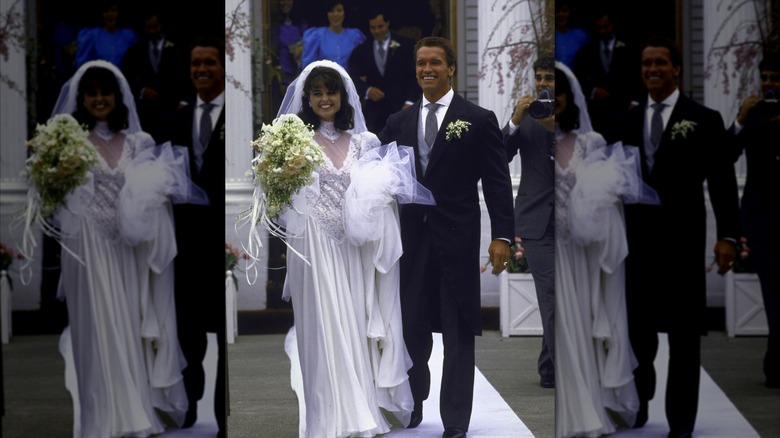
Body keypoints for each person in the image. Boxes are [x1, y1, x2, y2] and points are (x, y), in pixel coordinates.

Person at [272, 60, 424, 437]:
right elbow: (276, 199)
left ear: (343, 96)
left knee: (355, 324)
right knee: (324, 327)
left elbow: (380, 195)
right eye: (318, 93)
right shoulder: (292, 141)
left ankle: (362, 408)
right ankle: (329, 416)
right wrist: (283, 173)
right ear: (307, 98)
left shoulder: (364, 142)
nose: (325, 99)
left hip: (355, 248)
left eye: (331, 92)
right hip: (314, 245)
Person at [378, 36, 515, 438]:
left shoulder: (477, 118)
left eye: (435, 63)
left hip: (457, 241)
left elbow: (496, 181)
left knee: (458, 332)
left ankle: (456, 421)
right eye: (421, 63)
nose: (427, 70)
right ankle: (414, 401)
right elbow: (371, 167)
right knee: (411, 328)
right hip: (411, 243)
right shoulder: (397, 123)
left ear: (451, 68)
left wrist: (502, 236)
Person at [604, 36, 740, 438]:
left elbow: (722, 181)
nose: (652, 70)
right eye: (647, 64)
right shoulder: (624, 120)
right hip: (637, 245)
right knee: (639, 334)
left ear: (676, 68)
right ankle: (640, 404)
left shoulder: (704, 118)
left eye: (661, 63)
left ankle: (681, 423)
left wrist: (728, 236)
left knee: (684, 338)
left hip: (682, 243)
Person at [49, 60, 193, 438]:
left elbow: (154, 196)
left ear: (117, 96)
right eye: (92, 93)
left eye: (105, 92)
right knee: (97, 329)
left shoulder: (138, 142)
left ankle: (136, 411)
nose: (99, 99)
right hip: (87, 246)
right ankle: (102, 417)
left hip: (129, 249)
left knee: (130, 325)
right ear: (82, 99)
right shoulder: (69, 143)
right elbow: (55, 196)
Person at [553, 62, 642, 437]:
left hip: (580, 253)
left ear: (567, 97)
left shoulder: (590, 143)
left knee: (581, 326)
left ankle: (587, 408)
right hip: (550, 251)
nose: (550, 98)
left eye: (555, 92)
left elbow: (606, 199)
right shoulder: (531, 135)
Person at [160, 36, 227, 437]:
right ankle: (187, 407)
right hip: (184, 249)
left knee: (221, 336)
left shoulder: (234, 119)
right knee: (187, 334)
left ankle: (222, 417)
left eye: (209, 63)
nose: (202, 70)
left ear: (221, 67)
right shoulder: (172, 122)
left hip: (222, 250)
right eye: (195, 64)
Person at [503, 54, 556, 389]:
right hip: (538, 221)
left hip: (578, 220)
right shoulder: (528, 114)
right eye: (538, 76)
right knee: (554, 296)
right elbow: (499, 155)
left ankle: (549, 369)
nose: (542, 83)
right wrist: (514, 120)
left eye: (549, 77)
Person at [728, 49, 780, 389]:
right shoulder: (754, 116)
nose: (768, 85)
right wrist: (741, 120)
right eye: (765, 79)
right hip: (763, 222)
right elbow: (725, 155)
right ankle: (774, 367)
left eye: (775, 79)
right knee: (773, 293)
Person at [122, 9, 191, 142]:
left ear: (162, 25)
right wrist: (141, 90)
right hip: (147, 112)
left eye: (155, 27)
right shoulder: (136, 49)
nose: (152, 31)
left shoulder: (178, 46)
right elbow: (128, 76)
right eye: (148, 28)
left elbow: (186, 75)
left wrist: (184, 101)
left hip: (173, 107)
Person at [572, 10, 643, 136]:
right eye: (599, 28)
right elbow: (578, 77)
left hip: (625, 108)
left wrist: (635, 102)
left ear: (613, 25)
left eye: (606, 27)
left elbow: (638, 76)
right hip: (599, 113)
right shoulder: (588, 50)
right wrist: (593, 90)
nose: (603, 31)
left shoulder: (629, 48)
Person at [347, 7, 417, 133]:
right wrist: (367, 90)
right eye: (373, 28)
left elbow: (414, 76)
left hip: (401, 107)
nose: (377, 31)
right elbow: (352, 77)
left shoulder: (406, 46)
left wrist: (410, 102)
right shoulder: (362, 50)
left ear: (388, 23)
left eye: (380, 27)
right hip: (374, 113)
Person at [301, 1, 366, 70]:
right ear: (327, 14)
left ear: (345, 13)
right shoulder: (317, 35)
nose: (335, 14)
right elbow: (308, 67)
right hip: (325, 79)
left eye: (339, 10)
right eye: (331, 11)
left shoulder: (355, 36)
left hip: (350, 79)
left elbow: (363, 63)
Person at [75, 1, 138, 69]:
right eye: (106, 11)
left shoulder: (129, 35)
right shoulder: (91, 35)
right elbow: (82, 66)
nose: (110, 14)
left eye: (113, 11)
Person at [269, 0, 308, 106]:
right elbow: (271, 50)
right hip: (280, 75)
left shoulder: (301, 23)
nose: (284, 2)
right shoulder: (272, 24)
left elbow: (307, 47)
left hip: (299, 73)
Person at [554, 1, 590, 69]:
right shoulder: (549, 37)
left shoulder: (581, 35)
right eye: (557, 11)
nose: (561, 14)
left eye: (564, 10)